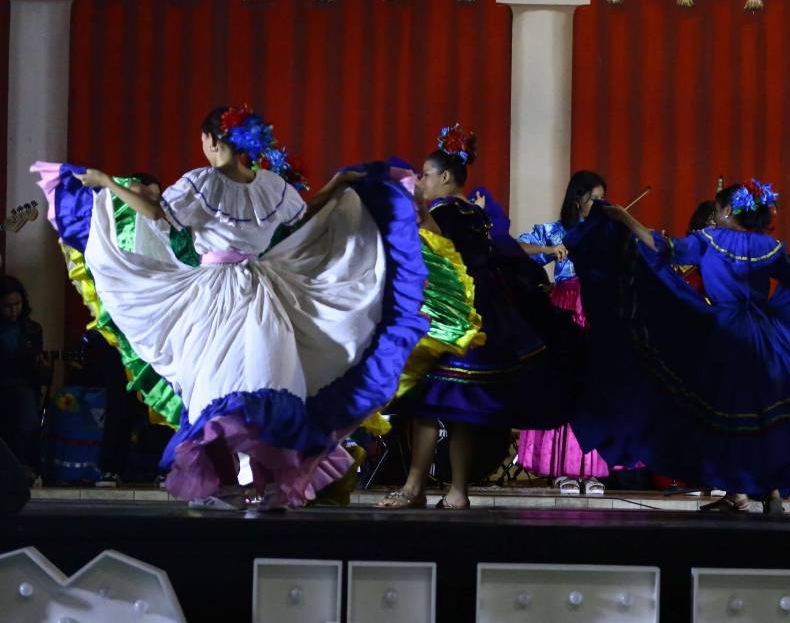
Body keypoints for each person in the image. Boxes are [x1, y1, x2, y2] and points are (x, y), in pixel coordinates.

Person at [34, 105, 436, 509]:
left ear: (211, 140)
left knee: (220, 386)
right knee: (267, 381)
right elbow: (305, 216)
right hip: (260, 294)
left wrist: (106, 182)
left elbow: (156, 214)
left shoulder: (201, 184)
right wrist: (335, 185)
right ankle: (266, 481)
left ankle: (231, 480)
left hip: (213, 298)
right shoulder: (272, 186)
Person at [563, 179, 790, 503]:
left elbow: (664, 249)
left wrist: (623, 219)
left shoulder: (710, 240)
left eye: (719, 208)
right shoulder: (767, 246)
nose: (715, 215)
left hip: (722, 332)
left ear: (727, 211)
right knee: (766, 416)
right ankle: (769, 490)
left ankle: (738, 492)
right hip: (767, 334)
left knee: (727, 416)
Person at [379, 125, 583, 510]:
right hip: (480, 327)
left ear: (443, 177)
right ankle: (457, 492)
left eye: (424, 174)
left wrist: (416, 212)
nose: (421, 180)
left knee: (425, 404)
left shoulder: (441, 212)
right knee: (460, 411)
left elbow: (439, 252)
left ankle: (413, 487)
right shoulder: (476, 214)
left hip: (447, 322)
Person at [514, 171, 612, 494]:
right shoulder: (557, 230)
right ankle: (560, 467)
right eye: (594, 198)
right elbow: (515, 248)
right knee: (564, 386)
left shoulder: (605, 234)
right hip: (565, 311)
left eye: (602, 199)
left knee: (595, 389)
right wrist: (548, 248)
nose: (599, 205)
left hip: (596, 312)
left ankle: (591, 468)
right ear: (577, 199)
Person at [0, 275, 47, 478]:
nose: (13, 310)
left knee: (27, 420)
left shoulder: (32, 329)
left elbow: (36, 367)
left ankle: (22, 466)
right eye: (7, 305)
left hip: (23, 384)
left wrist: (41, 366)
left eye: (17, 304)